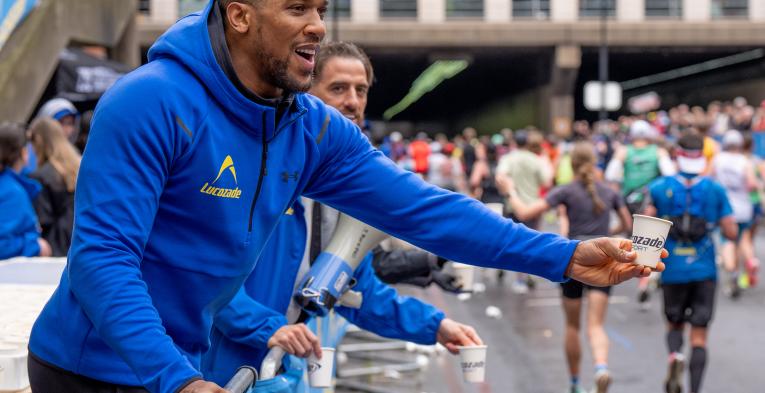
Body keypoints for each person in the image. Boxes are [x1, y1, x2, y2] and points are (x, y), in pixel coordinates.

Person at [27, 2, 664, 393]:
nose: (317, 26)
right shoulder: (150, 101)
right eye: (297, 8)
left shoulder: (310, 127)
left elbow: (426, 210)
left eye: (322, 8)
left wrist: (561, 256)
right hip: (91, 372)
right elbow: (101, 262)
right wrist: (182, 382)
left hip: (188, 368)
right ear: (239, 12)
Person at [503, 142, 632, 393]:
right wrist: (609, 234)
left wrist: (510, 191)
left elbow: (525, 212)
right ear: (595, 163)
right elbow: (627, 222)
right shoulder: (609, 192)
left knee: (572, 326)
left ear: (571, 164)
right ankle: (601, 368)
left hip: (573, 260)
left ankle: (574, 383)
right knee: (596, 325)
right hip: (603, 261)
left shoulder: (565, 192)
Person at [644, 133, 736, 393]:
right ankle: (695, 389)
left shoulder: (659, 187)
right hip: (704, 268)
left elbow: (645, 224)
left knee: (674, 323)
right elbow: (730, 231)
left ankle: (674, 356)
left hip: (671, 268)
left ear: (677, 154)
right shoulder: (715, 188)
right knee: (700, 335)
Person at [605, 119, 675, 306]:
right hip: (651, 200)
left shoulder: (624, 151)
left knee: (637, 241)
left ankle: (642, 274)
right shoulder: (658, 152)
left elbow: (611, 174)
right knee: (654, 239)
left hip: (630, 200)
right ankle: (647, 278)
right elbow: (670, 174)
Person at [495, 129, 552, 292]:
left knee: (515, 241)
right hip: (532, 207)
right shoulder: (535, 160)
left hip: (513, 205)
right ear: (527, 143)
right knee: (533, 240)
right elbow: (546, 181)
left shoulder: (508, 158)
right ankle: (531, 274)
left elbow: (500, 175)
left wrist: (508, 189)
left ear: (514, 143)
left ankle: (518, 279)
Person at [710, 130, 758, 297]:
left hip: (725, 207)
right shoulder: (745, 161)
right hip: (744, 207)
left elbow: (709, 178)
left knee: (727, 240)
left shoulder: (718, 159)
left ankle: (732, 270)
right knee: (743, 237)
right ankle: (750, 261)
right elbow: (751, 183)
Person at [28, 118, 81, 257]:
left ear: (38, 141)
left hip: (56, 248)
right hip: (82, 242)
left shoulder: (39, 177)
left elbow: (43, 220)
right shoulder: (78, 167)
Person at [0, 122, 52, 260]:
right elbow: (3, 245)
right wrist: (36, 246)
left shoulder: (12, 187)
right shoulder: (12, 192)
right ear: (23, 152)